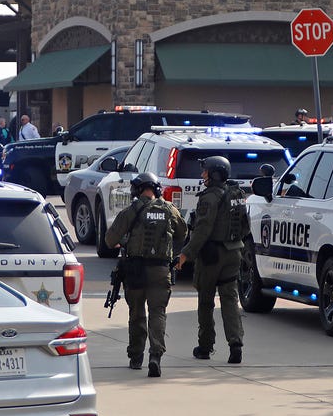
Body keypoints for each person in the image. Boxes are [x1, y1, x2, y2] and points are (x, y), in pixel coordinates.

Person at [105, 172, 187, 379]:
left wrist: (124, 241)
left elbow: (109, 240)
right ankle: (155, 356)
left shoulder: (130, 211)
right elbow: (182, 233)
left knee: (137, 314)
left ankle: (136, 357)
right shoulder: (169, 209)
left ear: (138, 189)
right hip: (161, 270)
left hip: (135, 270)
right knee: (158, 313)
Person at [176, 156, 247, 365]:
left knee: (206, 301)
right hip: (234, 253)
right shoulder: (237, 195)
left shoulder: (209, 198)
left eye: (205, 171)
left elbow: (202, 230)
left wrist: (186, 253)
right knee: (230, 300)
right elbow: (245, 227)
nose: (202, 175)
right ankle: (236, 345)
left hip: (211, 255)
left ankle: (205, 346)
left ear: (214, 174)